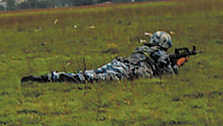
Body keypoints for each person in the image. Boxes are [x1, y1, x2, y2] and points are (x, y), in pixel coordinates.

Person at [21, 31, 189, 84]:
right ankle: (55, 79)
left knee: (89, 73)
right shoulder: (160, 55)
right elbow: (168, 75)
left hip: (118, 63)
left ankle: (50, 77)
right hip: (126, 72)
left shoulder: (143, 48)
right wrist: (179, 64)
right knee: (90, 79)